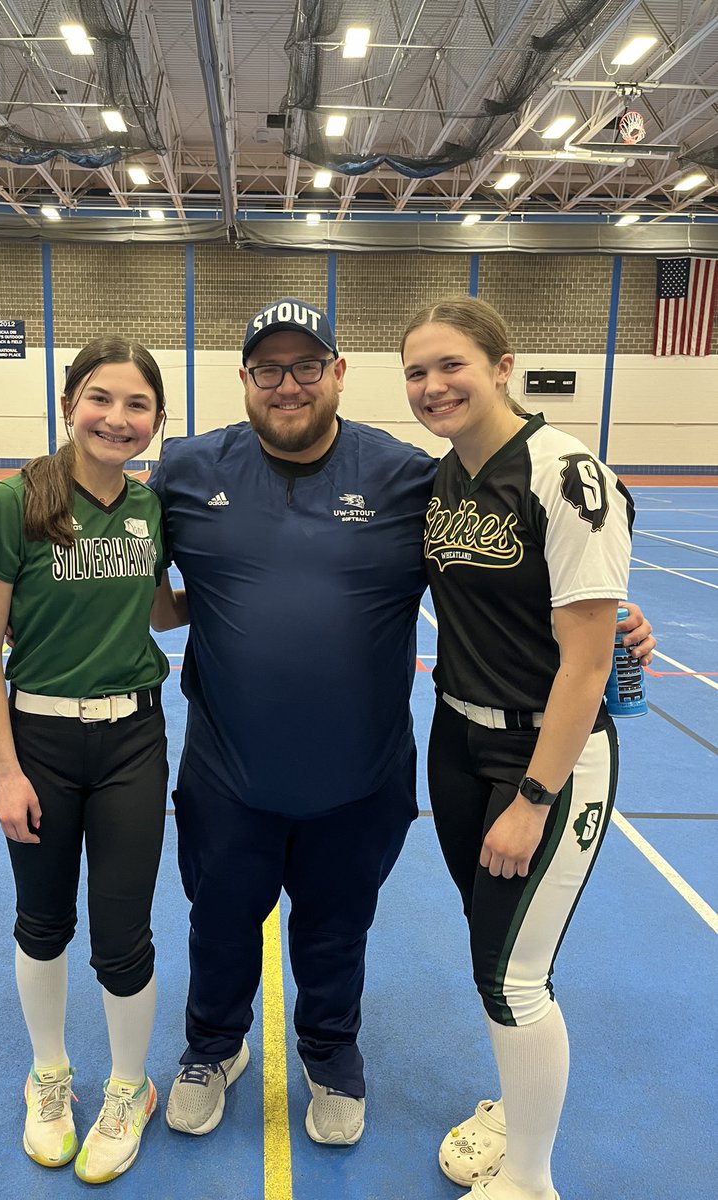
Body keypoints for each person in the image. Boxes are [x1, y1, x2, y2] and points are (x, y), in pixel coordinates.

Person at [147, 297, 655, 1148]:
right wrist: (41, 597)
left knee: (338, 926)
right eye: (268, 368)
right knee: (220, 917)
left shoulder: (409, 477)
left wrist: (617, 618)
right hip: (227, 770)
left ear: (339, 374)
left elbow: (519, 559)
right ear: (243, 380)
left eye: (308, 365)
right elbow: (136, 575)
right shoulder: (187, 470)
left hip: (361, 773)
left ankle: (331, 1053)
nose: (288, 384)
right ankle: (211, 1047)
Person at [400, 295, 635, 1200]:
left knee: (513, 977)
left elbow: (584, 669)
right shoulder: (444, 481)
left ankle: (531, 1182)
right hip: (457, 737)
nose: (432, 386)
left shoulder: (562, 470)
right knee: (497, 949)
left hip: (547, 761)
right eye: (417, 372)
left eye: (451, 364)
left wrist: (534, 801)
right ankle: (517, 1101)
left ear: (501, 365)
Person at [0, 335, 184, 1184]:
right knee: (43, 920)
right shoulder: (13, 501)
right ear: (68, 405)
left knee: (123, 935)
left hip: (134, 739)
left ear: (156, 422)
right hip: (41, 743)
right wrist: (5, 771)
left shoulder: (149, 508)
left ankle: (130, 1088)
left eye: (136, 405)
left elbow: (160, 615)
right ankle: (50, 1077)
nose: (117, 418)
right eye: (100, 398)